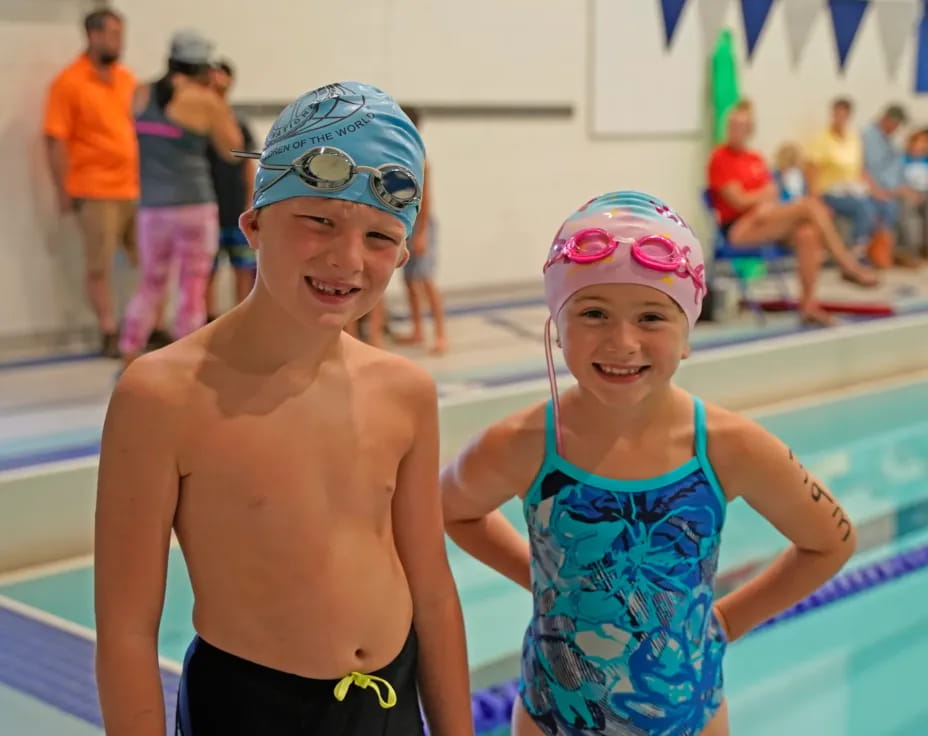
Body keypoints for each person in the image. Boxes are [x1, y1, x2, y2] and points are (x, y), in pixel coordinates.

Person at [94, 80, 473, 736]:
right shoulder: (161, 397)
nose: (347, 258)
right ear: (254, 223)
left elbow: (434, 593)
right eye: (319, 220)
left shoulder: (405, 392)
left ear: (404, 253)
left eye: (380, 237)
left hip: (388, 703)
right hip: (248, 711)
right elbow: (127, 630)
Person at [441, 191, 857, 736]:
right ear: (557, 324)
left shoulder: (727, 447)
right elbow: (452, 509)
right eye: (593, 313)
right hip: (552, 719)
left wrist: (731, 618)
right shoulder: (522, 444)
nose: (623, 342)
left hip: (689, 719)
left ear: (687, 333)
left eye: (652, 316)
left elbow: (832, 540)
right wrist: (541, 580)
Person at [118, 30, 243, 366]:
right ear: (204, 66)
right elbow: (232, 150)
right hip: (194, 205)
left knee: (149, 284)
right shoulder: (204, 100)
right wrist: (219, 98)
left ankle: (129, 351)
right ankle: (185, 360)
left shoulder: (140, 94)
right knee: (193, 284)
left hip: (152, 208)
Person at [708, 100, 877, 327]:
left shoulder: (755, 158)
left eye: (740, 126)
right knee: (809, 206)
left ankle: (808, 305)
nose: (734, 131)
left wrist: (759, 202)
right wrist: (760, 201)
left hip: (764, 221)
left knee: (807, 234)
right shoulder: (720, 158)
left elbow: (773, 192)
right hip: (737, 230)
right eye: (731, 126)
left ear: (749, 130)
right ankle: (847, 264)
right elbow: (737, 200)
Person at [43, 8, 138, 357]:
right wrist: (63, 190)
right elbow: (55, 139)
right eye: (112, 34)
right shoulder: (69, 82)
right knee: (99, 265)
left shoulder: (126, 79)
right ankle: (108, 329)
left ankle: (142, 325)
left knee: (144, 261)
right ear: (93, 35)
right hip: (95, 189)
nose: (118, 42)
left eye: (120, 34)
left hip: (134, 186)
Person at [205, 59, 259, 318]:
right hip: (207, 209)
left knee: (244, 267)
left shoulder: (238, 122)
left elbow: (248, 164)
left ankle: (242, 317)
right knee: (206, 270)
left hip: (236, 207)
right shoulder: (199, 123)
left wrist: (250, 202)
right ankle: (206, 320)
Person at [394, 106, 448, 355]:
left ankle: (440, 334)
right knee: (408, 280)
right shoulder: (399, 155)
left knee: (425, 280)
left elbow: (425, 201)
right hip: (407, 223)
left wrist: (422, 233)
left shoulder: (420, 159)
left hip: (422, 224)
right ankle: (417, 330)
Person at [861, 104, 922, 268]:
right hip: (878, 190)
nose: (897, 128)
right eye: (896, 123)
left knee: (914, 201)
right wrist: (879, 191)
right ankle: (896, 253)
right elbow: (864, 169)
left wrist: (907, 188)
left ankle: (909, 252)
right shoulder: (868, 136)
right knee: (896, 207)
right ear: (887, 119)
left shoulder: (892, 141)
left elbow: (899, 170)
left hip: (896, 189)